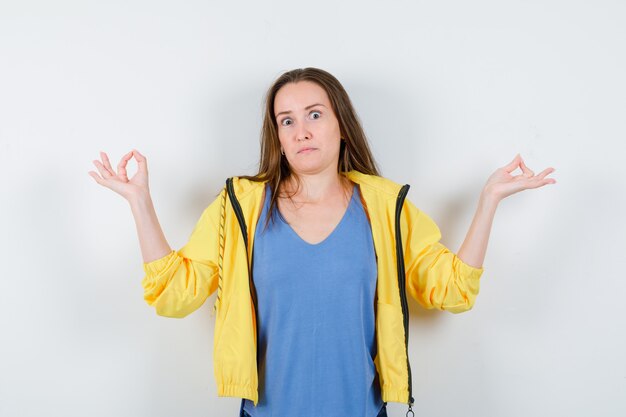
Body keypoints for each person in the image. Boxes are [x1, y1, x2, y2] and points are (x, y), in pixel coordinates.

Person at [88, 67, 556, 417]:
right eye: (286, 120)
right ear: (277, 134)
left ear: (340, 125)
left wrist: (489, 200)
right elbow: (173, 294)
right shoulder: (241, 207)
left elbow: (453, 291)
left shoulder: (384, 208)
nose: (302, 130)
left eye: (314, 114)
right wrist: (139, 202)